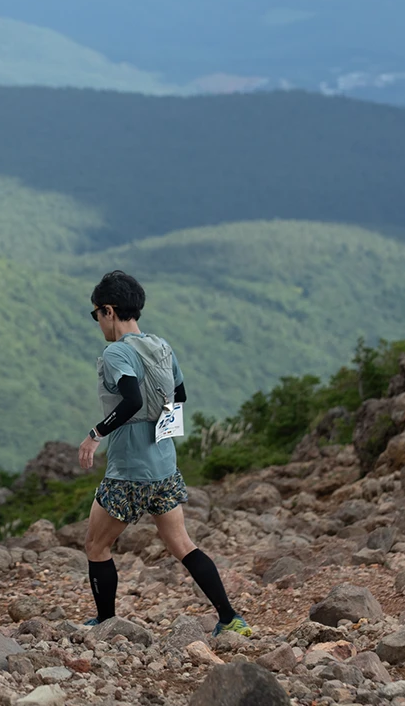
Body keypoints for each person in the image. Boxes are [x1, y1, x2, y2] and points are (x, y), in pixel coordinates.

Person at [78, 270, 251, 637]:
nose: (98, 323)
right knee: (182, 544)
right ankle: (229, 617)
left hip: (128, 469)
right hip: (164, 467)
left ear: (109, 310)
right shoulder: (161, 346)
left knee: (96, 545)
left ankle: (106, 624)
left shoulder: (116, 352)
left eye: (96, 314)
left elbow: (132, 399)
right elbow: (180, 397)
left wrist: (96, 434)